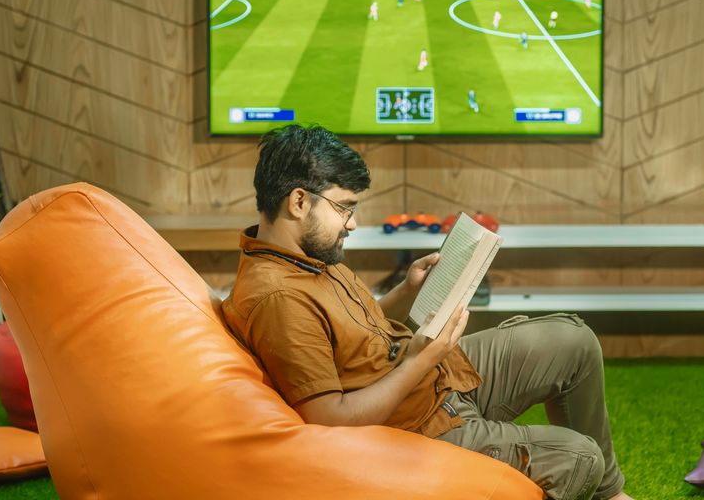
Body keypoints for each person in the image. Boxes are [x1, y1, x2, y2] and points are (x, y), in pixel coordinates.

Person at [221, 124, 635, 500]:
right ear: (298, 202)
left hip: (435, 380)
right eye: (344, 207)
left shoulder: (306, 256)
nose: (351, 223)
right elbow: (331, 423)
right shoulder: (278, 297)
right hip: (419, 427)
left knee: (573, 341)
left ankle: (610, 495)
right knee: (580, 458)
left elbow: (345, 339)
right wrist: (422, 359)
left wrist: (406, 291)